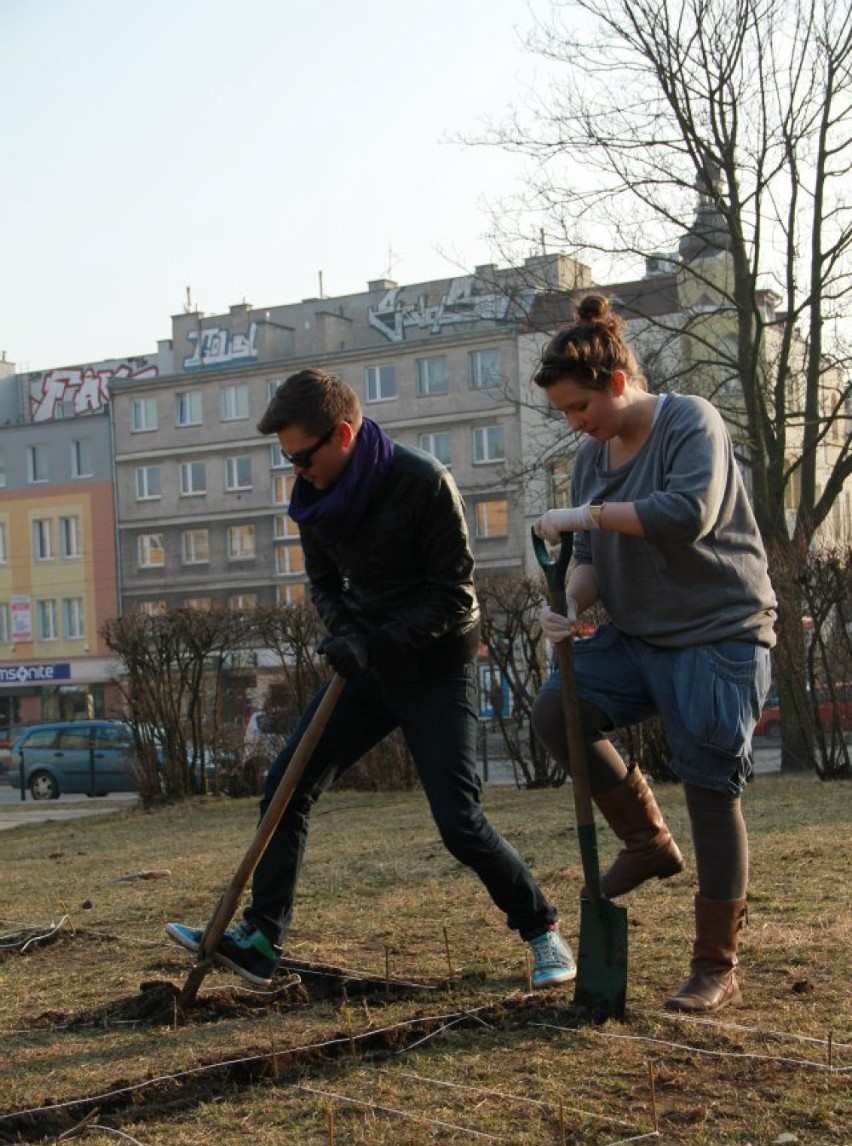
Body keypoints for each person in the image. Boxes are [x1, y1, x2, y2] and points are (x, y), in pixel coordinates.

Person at [167, 368, 575, 989]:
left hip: (437, 666)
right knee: (286, 787)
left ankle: (543, 930)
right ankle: (259, 939)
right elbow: (325, 586)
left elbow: (453, 596)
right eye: (287, 461)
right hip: (367, 665)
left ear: (344, 435)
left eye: (302, 456)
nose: (296, 470)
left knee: (459, 821)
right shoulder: (311, 500)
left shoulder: (423, 482)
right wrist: (346, 633)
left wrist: (374, 641)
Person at [530, 294, 776, 1014]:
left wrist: (588, 514)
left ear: (614, 382)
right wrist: (570, 604)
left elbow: (685, 515)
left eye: (579, 407)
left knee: (709, 787)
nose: (575, 424)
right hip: (637, 636)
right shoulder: (589, 459)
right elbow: (593, 562)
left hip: (717, 630)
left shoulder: (690, 420)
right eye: (566, 414)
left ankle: (714, 965)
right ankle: (645, 841)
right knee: (558, 714)